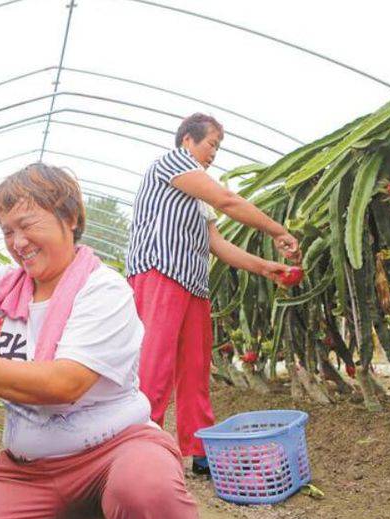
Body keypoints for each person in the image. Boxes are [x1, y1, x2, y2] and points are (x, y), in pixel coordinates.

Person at [0, 163, 200, 519]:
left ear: (71, 218)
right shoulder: (6, 287)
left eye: (28, 225)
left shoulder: (103, 290)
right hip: (30, 471)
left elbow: (64, 384)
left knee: (146, 491)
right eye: (8, 231)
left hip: (119, 449)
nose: (18, 243)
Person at [126, 113, 301, 475]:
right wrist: (277, 230)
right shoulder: (173, 162)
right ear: (187, 140)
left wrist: (265, 268)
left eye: (218, 148)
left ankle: (200, 449)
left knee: (194, 368)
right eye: (211, 144)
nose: (214, 153)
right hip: (159, 272)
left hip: (192, 283)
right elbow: (228, 201)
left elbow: (217, 245)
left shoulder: (198, 197)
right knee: (155, 365)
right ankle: (140, 446)